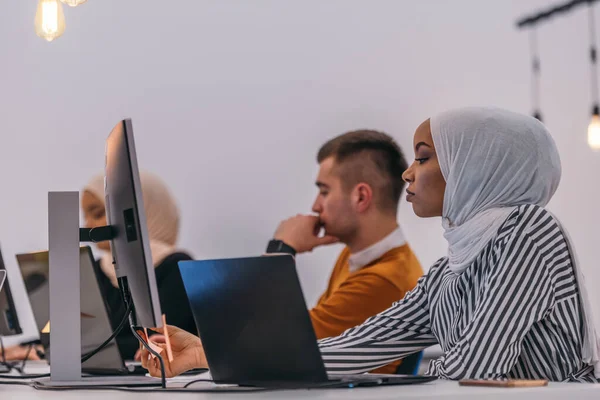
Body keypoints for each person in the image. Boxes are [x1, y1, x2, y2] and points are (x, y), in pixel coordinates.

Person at [140, 107, 600, 382]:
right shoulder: (451, 269)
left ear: (474, 168)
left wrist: (415, 378)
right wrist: (208, 354)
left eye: (423, 158)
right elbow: (361, 344)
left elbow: (474, 368)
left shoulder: (529, 231)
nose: (408, 174)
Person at [264, 130, 423, 373]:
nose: (315, 206)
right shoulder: (355, 256)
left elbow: (268, 343)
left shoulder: (383, 280)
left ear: (360, 197)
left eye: (324, 191)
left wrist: (281, 249)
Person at [80, 171, 197, 359]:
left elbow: (161, 341)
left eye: (98, 213)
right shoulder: (95, 270)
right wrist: (31, 348)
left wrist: (71, 351)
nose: (87, 225)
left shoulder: (176, 267)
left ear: (136, 213)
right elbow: (80, 335)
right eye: (85, 216)